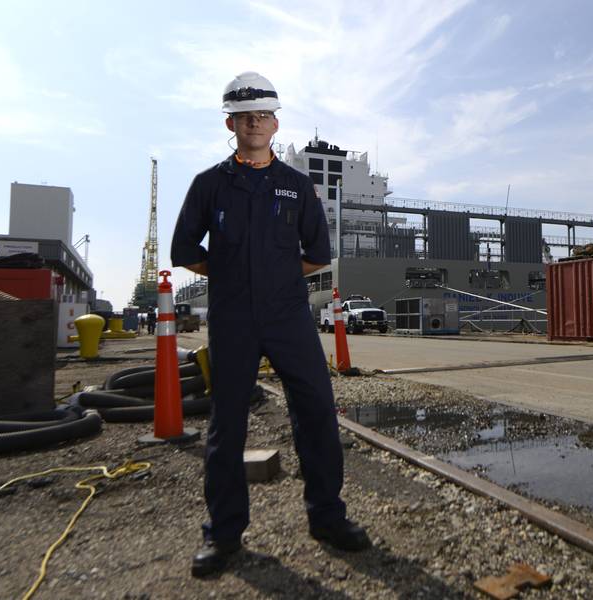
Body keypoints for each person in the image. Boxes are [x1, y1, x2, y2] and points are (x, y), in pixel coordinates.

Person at [171, 71, 370, 578]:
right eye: (244, 117)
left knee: (318, 412)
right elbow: (185, 250)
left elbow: (318, 255)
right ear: (230, 124)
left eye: (262, 115)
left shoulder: (297, 187)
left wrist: (275, 277)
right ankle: (223, 536)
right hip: (234, 317)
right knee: (227, 423)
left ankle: (327, 516)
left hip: (288, 316)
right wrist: (233, 274)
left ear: (275, 123)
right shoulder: (209, 185)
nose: (254, 123)